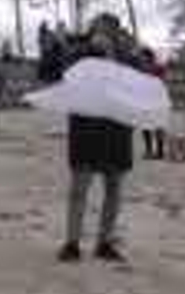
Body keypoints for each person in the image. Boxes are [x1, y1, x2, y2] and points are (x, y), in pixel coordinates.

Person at [59, 15, 140, 263]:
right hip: (86, 129)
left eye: (109, 30)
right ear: (92, 30)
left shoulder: (128, 56)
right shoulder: (79, 53)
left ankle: (105, 241)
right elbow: (59, 71)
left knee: (114, 190)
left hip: (117, 130)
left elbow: (141, 79)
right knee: (79, 190)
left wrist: (120, 56)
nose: (104, 34)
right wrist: (88, 50)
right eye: (99, 29)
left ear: (117, 33)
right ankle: (72, 243)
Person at [139, 47, 169, 160]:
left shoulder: (152, 68)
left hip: (153, 99)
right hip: (152, 99)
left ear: (147, 57)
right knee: (151, 125)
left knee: (152, 125)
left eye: (142, 56)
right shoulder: (154, 67)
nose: (141, 59)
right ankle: (153, 151)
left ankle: (154, 151)